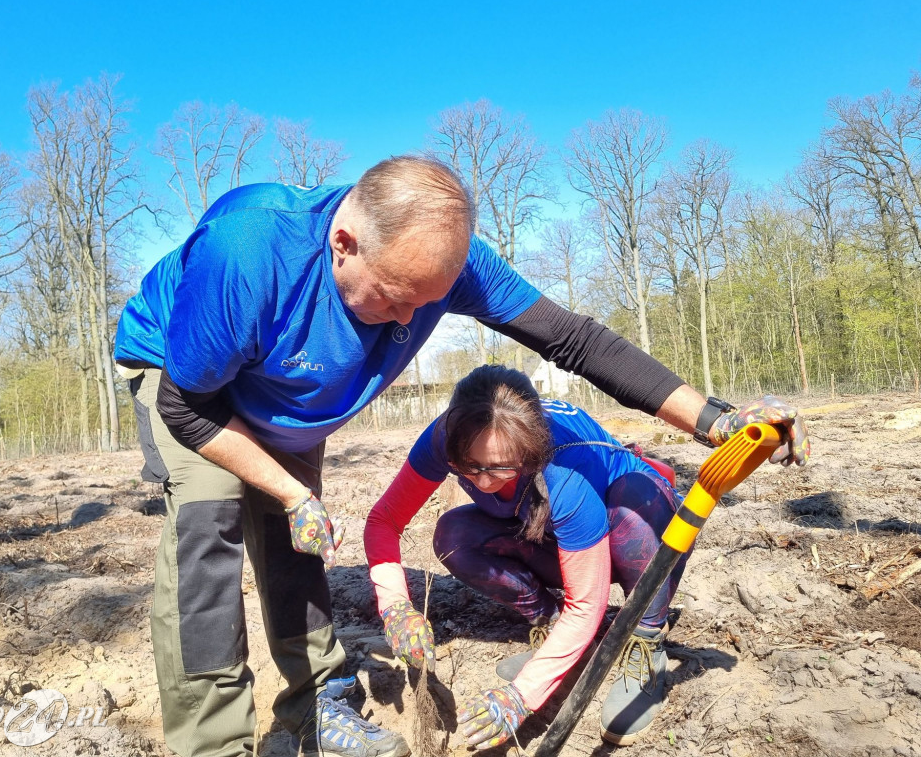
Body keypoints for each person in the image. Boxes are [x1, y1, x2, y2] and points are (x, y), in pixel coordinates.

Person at [114, 155, 809, 757]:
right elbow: (186, 407)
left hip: (290, 399)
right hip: (195, 387)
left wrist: (716, 420)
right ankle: (214, 740)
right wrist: (289, 489)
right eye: (393, 300)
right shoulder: (248, 253)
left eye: (429, 305)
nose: (407, 325)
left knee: (298, 543)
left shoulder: (447, 263)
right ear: (343, 244)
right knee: (211, 534)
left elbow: (575, 341)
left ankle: (316, 705)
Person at [364, 365, 809, 750]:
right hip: (554, 533)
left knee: (634, 505)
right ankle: (550, 627)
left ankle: (646, 641)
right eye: (470, 467)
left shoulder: (563, 470)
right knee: (454, 533)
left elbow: (588, 604)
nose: (482, 481)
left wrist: (522, 695)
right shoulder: (444, 439)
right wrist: (396, 605)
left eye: (500, 468)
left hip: (637, 535)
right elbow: (383, 520)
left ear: (530, 448)